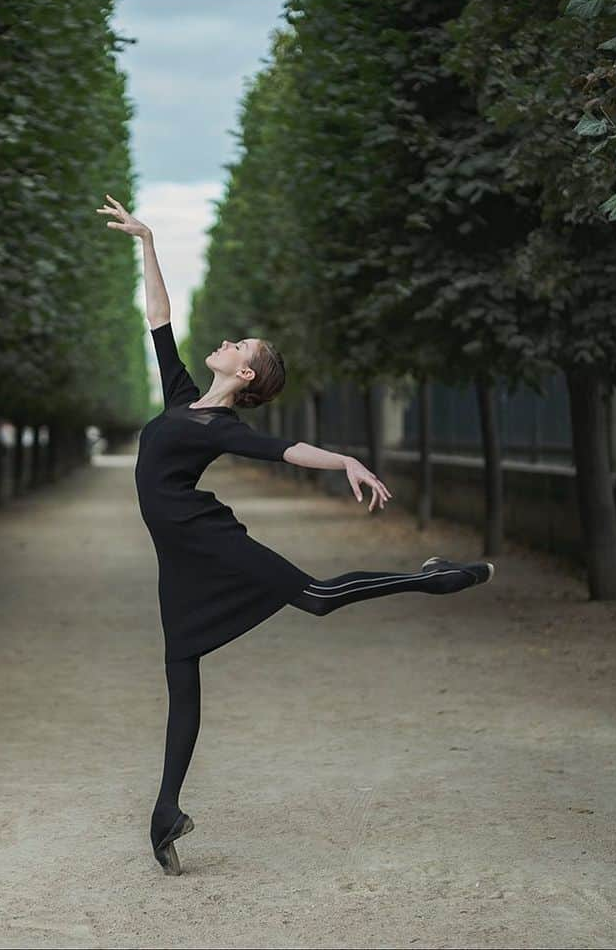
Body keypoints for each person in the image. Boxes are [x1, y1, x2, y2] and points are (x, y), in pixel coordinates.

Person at [97, 194, 495, 876]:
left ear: (244, 374)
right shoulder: (181, 397)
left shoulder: (221, 427)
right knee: (181, 669)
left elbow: (288, 449)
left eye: (238, 347)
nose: (224, 343)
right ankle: (167, 811)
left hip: (205, 538)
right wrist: (148, 240)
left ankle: (435, 578)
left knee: (315, 596)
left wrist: (343, 459)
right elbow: (158, 318)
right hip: (180, 553)